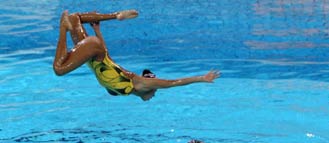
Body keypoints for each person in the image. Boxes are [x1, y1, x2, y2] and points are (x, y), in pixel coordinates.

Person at [53, 10, 220, 101]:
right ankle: (63, 28)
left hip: (93, 52)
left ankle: (117, 16)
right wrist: (201, 78)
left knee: (75, 18)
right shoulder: (141, 84)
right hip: (94, 49)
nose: (154, 95)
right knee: (59, 69)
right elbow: (172, 83)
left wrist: (97, 31)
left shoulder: (123, 87)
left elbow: (107, 60)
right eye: (154, 91)